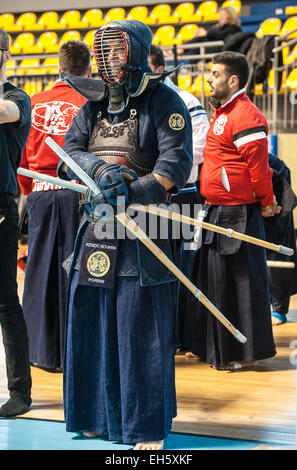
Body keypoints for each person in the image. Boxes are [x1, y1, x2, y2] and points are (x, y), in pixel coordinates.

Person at [186, 51, 280, 371]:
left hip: (238, 215)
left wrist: (267, 203)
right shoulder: (223, 113)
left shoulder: (247, 116)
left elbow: (259, 171)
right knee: (213, 284)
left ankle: (244, 353)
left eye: (214, 73)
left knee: (241, 286)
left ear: (233, 80)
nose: (208, 78)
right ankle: (213, 348)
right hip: (214, 210)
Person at [17, 41, 92, 371]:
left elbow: (20, 154)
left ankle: (38, 352)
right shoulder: (90, 102)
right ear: (88, 70)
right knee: (77, 270)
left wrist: (31, 191)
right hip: (77, 193)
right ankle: (76, 351)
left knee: (38, 272)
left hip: (40, 192)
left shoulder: (33, 102)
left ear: (59, 68)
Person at [149, 44, 209, 349]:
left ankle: (182, 336)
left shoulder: (187, 101)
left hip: (183, 197)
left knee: (184, 268)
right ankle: (161, 335)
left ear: (159, 69)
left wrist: (161, 169)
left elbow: (198, 148)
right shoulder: (141, 103)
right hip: (149, 200)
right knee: (156, 268)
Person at [0, 28, 32, 417]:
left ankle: (20, 393)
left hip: (1, 208)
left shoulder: (16, 97)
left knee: (6, 301)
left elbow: (4, 112)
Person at [265, 153, 297, 325]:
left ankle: (279, 308)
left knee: (276, 245)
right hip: (259, 179)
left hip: (275, 181)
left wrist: (267, 201)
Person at [176, 7, 242, 58]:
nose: (220, 17)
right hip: (213, 49)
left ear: (230, 16)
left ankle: (180, 49)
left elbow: (220, 35)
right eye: (220, 15)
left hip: (221, 51)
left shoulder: (234, 28)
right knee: (199, 41)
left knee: (200, 40)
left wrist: (206, 33)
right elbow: (213, 33)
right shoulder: (218, 28)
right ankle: (181, 50)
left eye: (223, 15)